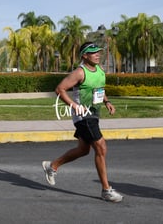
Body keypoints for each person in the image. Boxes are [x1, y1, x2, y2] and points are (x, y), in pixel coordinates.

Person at [42, 42, 123, 202]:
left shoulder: (99, 70)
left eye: (98, 52)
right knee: (101, 147)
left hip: (93, 114)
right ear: (84, 56)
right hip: (83, 116)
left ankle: (52, 166)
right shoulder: (80, 72)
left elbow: (99, 89)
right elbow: (60, 89)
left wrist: (107, 102)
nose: (98, 55)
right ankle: (106, 190)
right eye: (93, 53)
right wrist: (73, 105)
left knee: (83, 150)